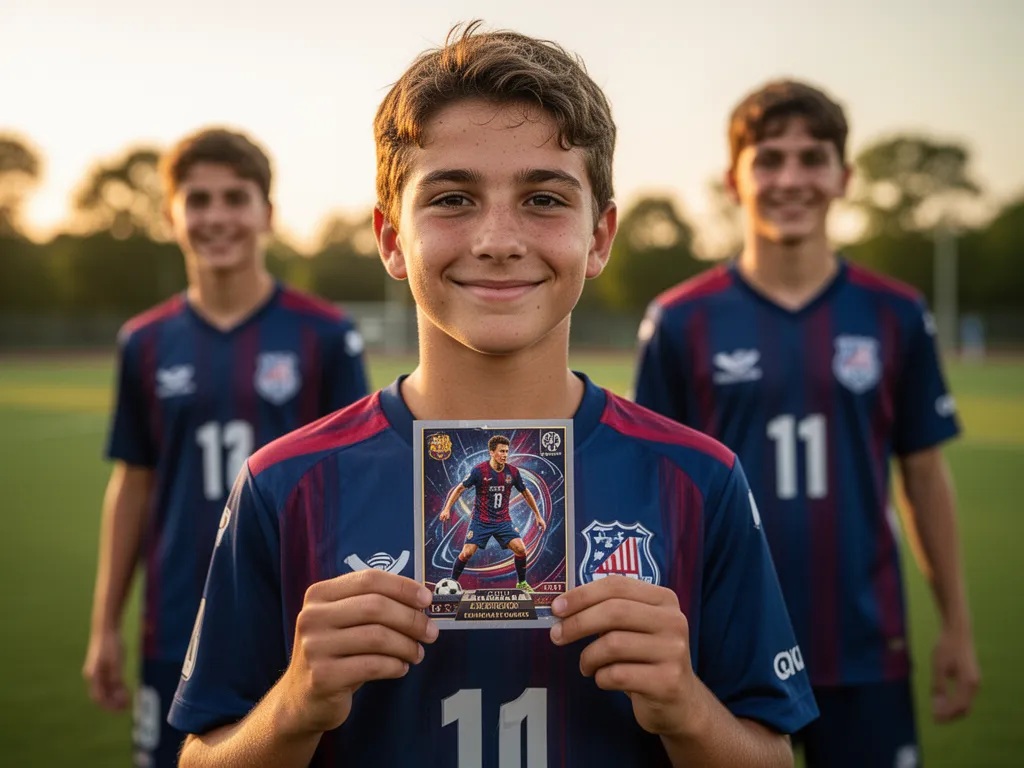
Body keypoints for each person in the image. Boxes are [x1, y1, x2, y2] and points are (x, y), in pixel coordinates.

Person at [170, 24, 817, 767]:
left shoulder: (699, 479)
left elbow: (773, 757)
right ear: (390, 239)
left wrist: (686, 707)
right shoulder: (284, 484)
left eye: (544, 198)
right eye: (452, 198)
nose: (498, 238)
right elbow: (201, 757)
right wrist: (294, 706)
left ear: (600, 237)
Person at [633, 79, 980, 767]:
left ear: (844, 177)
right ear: (734, 180)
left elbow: (924, 477)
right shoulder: (679, 320)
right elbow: (655, 496)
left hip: (863, 640)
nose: (791, 179)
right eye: (769, 159)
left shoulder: (897, 314)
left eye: (812, 158)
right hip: (723, 642)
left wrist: (958, 628)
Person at [82, 127, 369, 768]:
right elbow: (134, 483)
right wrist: (105, 627)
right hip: (176, 613)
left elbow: (353, 482)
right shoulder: (145, 342)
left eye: (235, 198)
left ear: (267, 213)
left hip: (296, 617)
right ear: (170, 214)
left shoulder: (324, 335)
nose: (217, 217)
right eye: (199, 199)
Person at [439, 434, 546, 591]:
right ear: (491, 452)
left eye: (506, 451)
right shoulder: (479, 471)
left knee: (521, 549)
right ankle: (452, 582)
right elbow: (460, 488)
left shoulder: (513, 472)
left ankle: (522, 583)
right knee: (467, 553)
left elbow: (526, 493)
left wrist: (538, 515)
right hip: (480, 521)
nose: (504, 455)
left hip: (503, 521)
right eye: (501, 451)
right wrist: (447, 508)